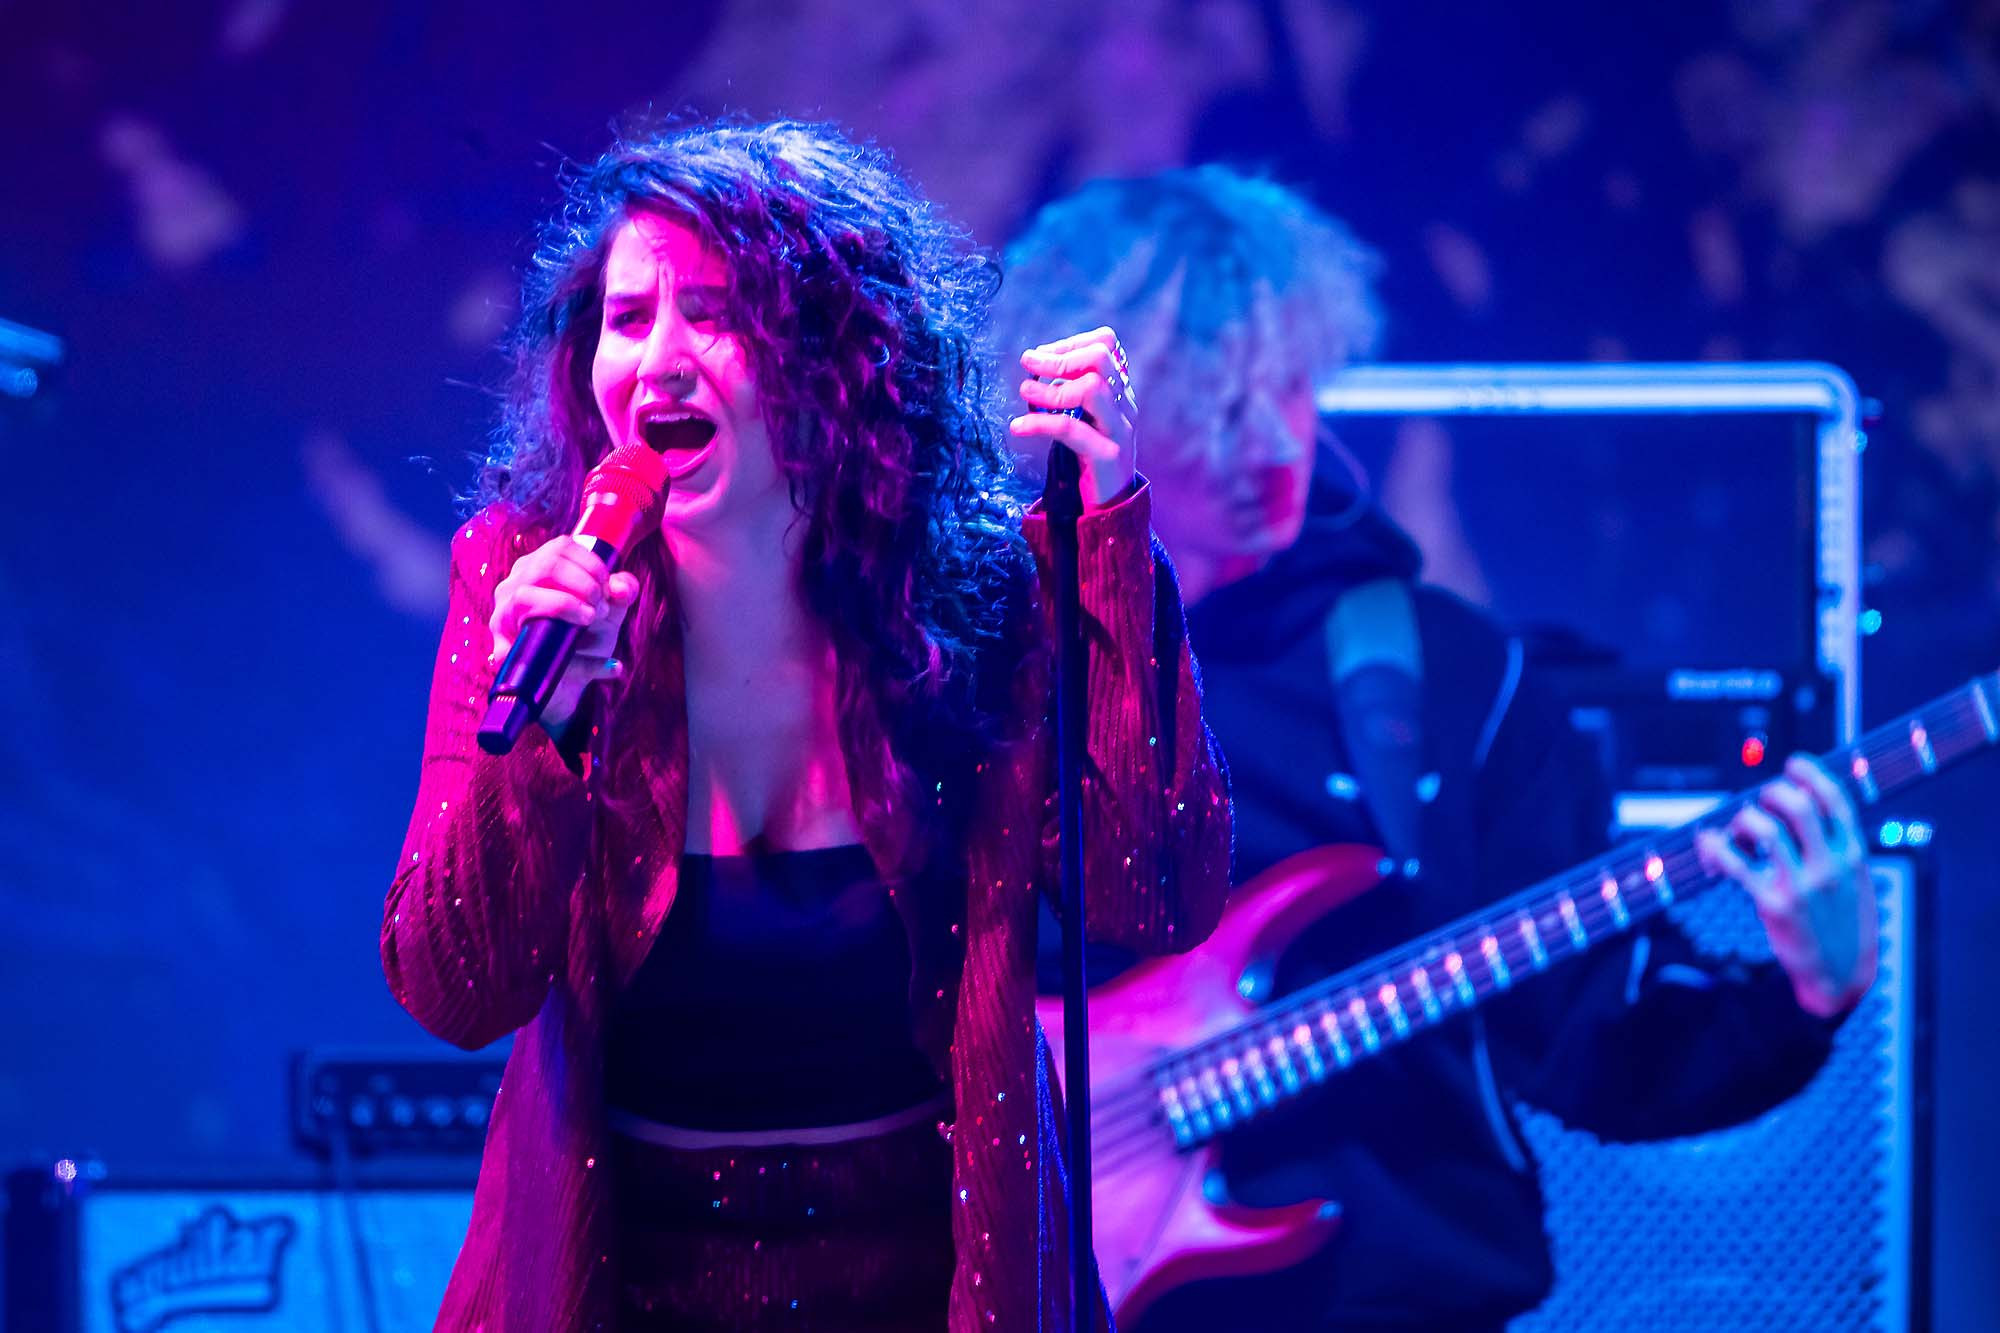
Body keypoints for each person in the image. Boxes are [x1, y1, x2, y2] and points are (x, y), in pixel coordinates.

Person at [380, 120, 1231, 1333]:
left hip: (933, 1280)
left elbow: (1155, 892)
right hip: (621, 1288)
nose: (656, 365)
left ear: (840, 354)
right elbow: (453, 988)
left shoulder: (979, 593)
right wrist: (545, 741)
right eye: (628, 319)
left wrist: (1104, 540)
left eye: (714, 315)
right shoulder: (522, 574)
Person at [993, 166, 1878, 1331]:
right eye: (1211, 407)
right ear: (1090, 423)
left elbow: (1589, 1033)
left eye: (1288, 387)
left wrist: (1805, 994)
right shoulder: (999, 662)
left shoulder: (1447, 673)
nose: (1269, 444)